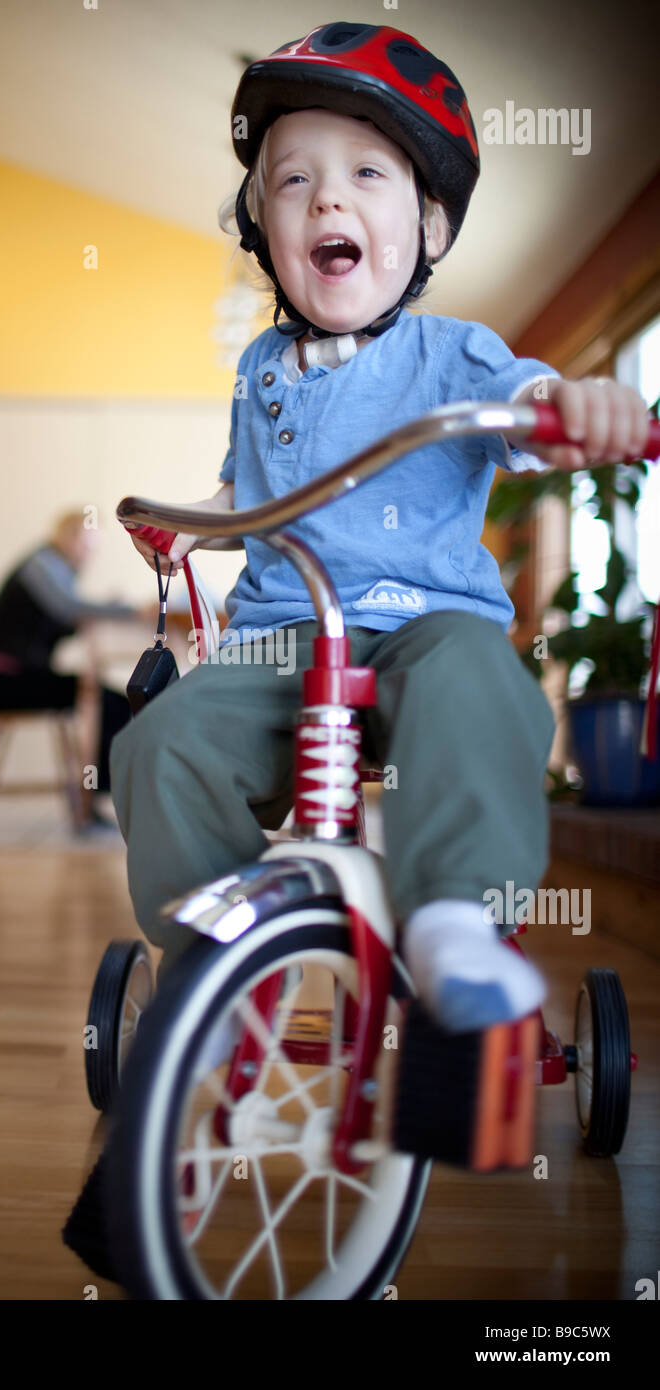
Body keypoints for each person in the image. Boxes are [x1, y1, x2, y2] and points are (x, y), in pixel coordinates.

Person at [111, 23, 652, 1029]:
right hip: (278, 636)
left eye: (366, 171)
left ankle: (455, 917)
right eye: (291, 182)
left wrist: (575, 410)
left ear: (429, 229)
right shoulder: (258, 368)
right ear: (263, 231)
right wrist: (190, 526)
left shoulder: (451, 352)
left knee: (478, 680)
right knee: (158, 746)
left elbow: (526, 408)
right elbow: (246, 487)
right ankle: (218, 964)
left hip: (421, 624)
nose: (326, 198)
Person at [0, 511, 136, 830]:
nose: (87, 553)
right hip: (10, 683)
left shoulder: (53, 567)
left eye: (92, 547)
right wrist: (128, 610)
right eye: (83, 543)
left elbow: (62, 619)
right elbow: (68, 608)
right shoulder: (41, 566)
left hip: (20, 676)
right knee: (109, 699)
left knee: (107, 696)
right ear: (63, 536)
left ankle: (93, 798)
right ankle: (94, 800)